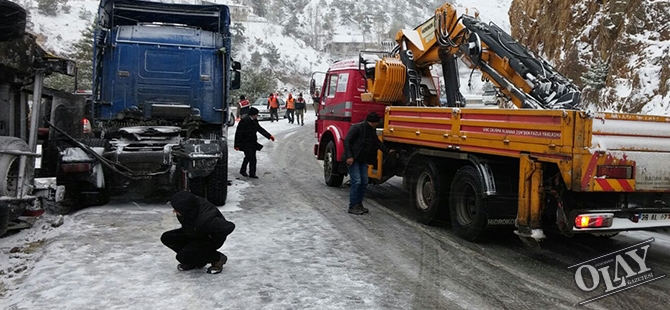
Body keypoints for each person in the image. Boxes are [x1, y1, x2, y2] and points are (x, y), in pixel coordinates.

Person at [161, 191, 236, 274]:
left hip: (208, 238)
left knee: (182, 256)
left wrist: (211, 238)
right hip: (194, 232)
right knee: (168, 238)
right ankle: (196, 261)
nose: (174, 211)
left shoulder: (207, 219)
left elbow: (229, 226)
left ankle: (217, 258)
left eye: (176, 209)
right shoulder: (190, 207)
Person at [343, 112, 393, 215]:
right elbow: (347, 141)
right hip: (353, 159)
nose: (378, 124)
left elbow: (377, 143)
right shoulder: (357, 127)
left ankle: (358, 204)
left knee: (364, 181)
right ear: (373, 122)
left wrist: (387, 151)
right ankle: (352, 206)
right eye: (377, 122)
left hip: (362, 160)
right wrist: (349, 156)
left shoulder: (371, 130)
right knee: (357, 181)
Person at [234, 107, 275, 178]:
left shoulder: (254, 120)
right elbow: (238, 133)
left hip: (252, 142)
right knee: (252, 158)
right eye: (256, 114)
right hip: (245, 142)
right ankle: (252, 173)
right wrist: (236, 144)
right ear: (253, 114)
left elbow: (259, 128)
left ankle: (243, 170)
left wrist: (269, 136)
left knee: (248, 157)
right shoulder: (244, 121)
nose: (257, 116)